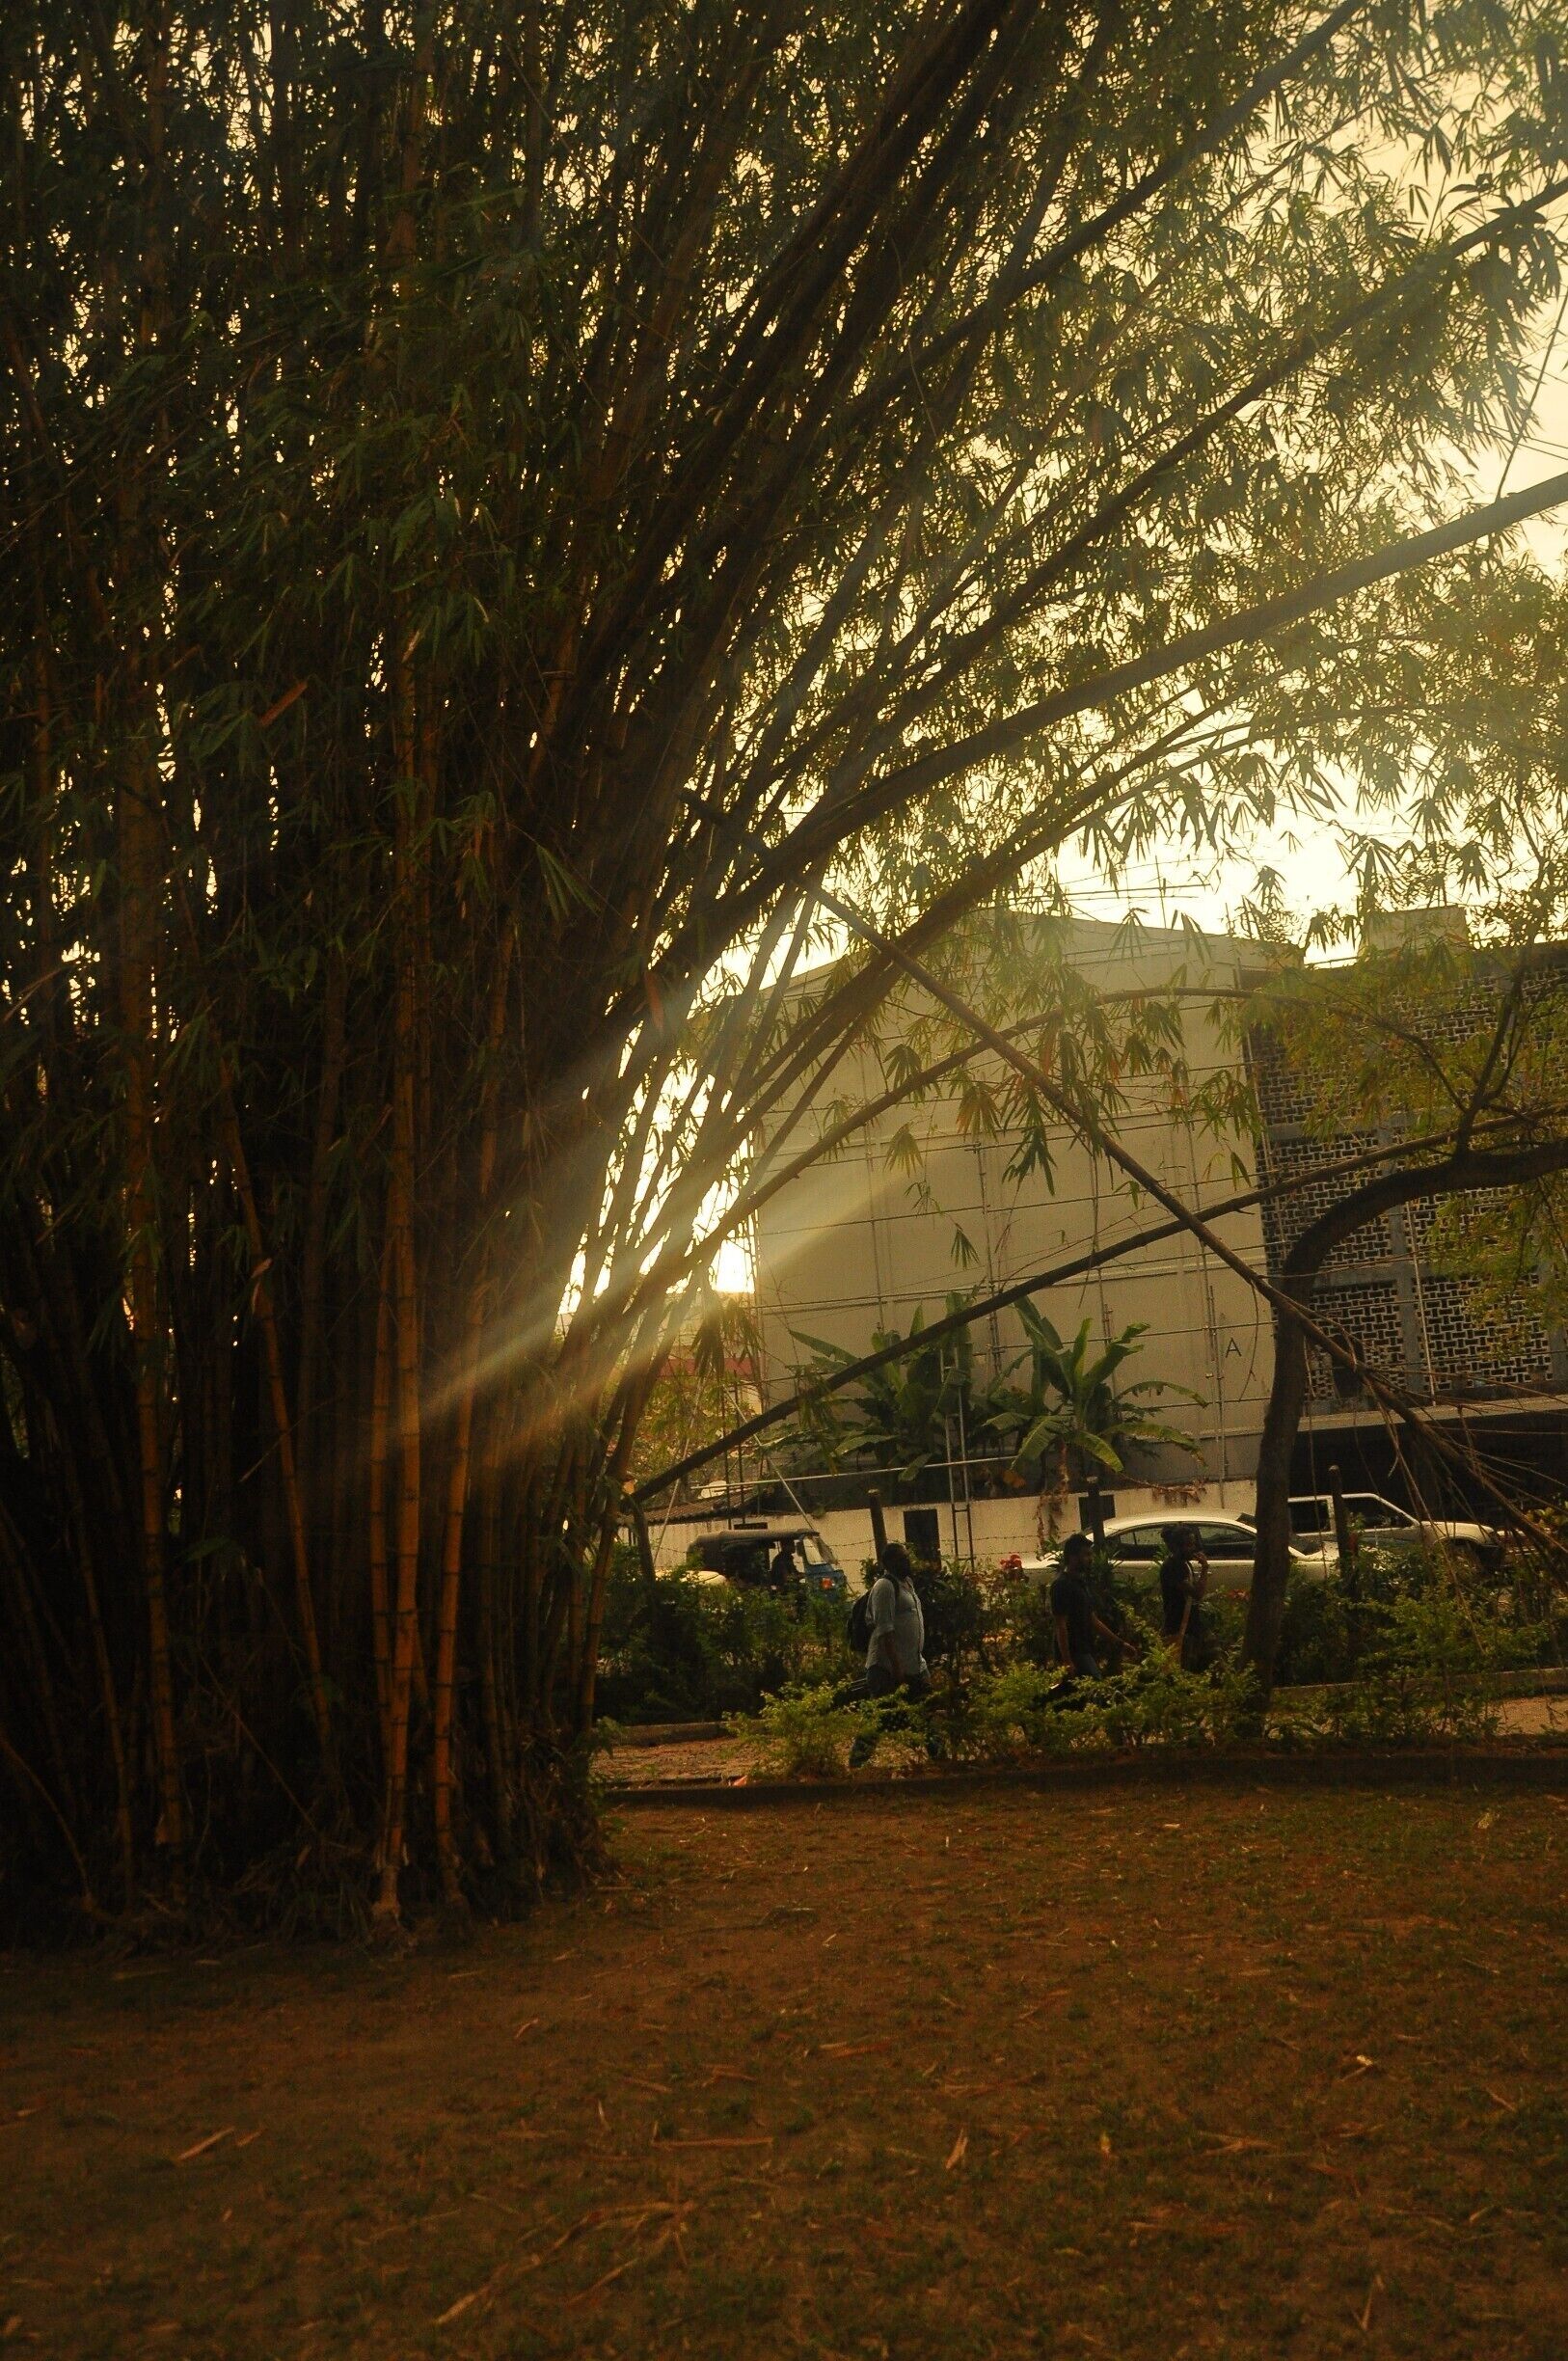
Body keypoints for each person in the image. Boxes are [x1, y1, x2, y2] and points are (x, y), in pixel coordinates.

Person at [1049, 1531, 1125, 1680]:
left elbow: (1092, 1620)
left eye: (1090, 1555)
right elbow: (1061, 1625)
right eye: (1086, 1555)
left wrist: (1119, 1643)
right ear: (1072, 1557)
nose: (1090, 1559)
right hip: (1075, 1653)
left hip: (1085, 1649)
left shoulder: (1081, 1583)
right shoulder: (1061, 1585)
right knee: (1096, 1690)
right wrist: (1067, 1661)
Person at [858, 1541, 930, 1699]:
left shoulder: (907, 1584)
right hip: (888, 1671)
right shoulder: (885, 1587)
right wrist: (897, 1669)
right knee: (894, 1720)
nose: (907, 1563)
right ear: (889, 1563)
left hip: (914, 1666)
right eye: (902, 1559)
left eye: (907, 1558)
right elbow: (885, 1631)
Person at [1159, 1524, 1208, 1669]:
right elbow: (1197, 1593)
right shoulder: (1172, 1567)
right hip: (1178, 1626)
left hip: (1190, 1626)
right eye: (1188, 1545)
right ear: (1176, 1546)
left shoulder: (1184, 1564)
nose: (1192, 1548)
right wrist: (1205, 1569)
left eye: (1193, 1544)